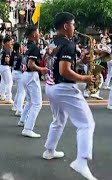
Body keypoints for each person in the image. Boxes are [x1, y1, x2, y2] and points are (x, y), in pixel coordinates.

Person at [43, 12, 97, 180]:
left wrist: (80, 61)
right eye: (73, 24)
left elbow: (60, 64)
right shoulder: (68, 44)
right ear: (66, 26)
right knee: (86, 124)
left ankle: (49, 151)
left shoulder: (53, 42)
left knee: (58, 120)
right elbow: (64, 71)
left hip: (51, 86)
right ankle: (81, 161)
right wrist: (85, 78)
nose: (75, 28)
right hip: (64, 88)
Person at [18, 25, 48, 137]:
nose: (39, 34)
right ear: (34, 34)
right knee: (37, 103)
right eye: (38, 32)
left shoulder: (27, 46)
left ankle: (22, 120)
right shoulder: (34, 47)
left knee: (30, 101)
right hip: (31, 75)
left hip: (25, 74)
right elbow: (31, 64)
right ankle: (28, 128)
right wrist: (42, 69)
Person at [10, 42, 25, 116]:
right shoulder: (20, 56)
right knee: (22, 92)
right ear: (19, 47)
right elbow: (22, 67)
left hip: (13, 72)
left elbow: (10, 63)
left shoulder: (12, 55)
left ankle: (15, 106)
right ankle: (19, 110)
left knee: (19, 91)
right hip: (19, 73)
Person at [0, 37, 14, 103]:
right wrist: (10, 63)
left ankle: (2, 94)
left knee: (3, 80)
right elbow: (7, 60)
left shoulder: (1, 48)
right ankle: (9, 98)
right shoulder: (6, 49)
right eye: (10, 42)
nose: (11, 43)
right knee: (9, 82)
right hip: (4, 66)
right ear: (7, 42)